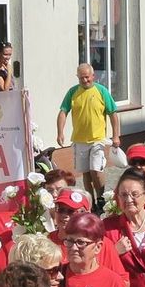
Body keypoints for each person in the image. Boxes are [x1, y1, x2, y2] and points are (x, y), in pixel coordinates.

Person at [57, 63, 121, 201]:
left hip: (97, 139)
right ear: (77, 78)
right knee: (86, 173)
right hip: (79, 140)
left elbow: (113, 114)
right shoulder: (72, 92)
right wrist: (60, 132)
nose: (85, 80)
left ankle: (101, 198)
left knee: (96, 171)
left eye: (87, 77)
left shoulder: (101, 91)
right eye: (81, 78)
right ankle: (90, 201)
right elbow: (63, 112)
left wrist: (116, 136)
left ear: (93, 76)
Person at [61, 211, 134, 287]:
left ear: (98, 247)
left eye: (81, 242)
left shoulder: (113, 282)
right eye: (69, 241)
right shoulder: (57, 276)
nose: (73, 247)